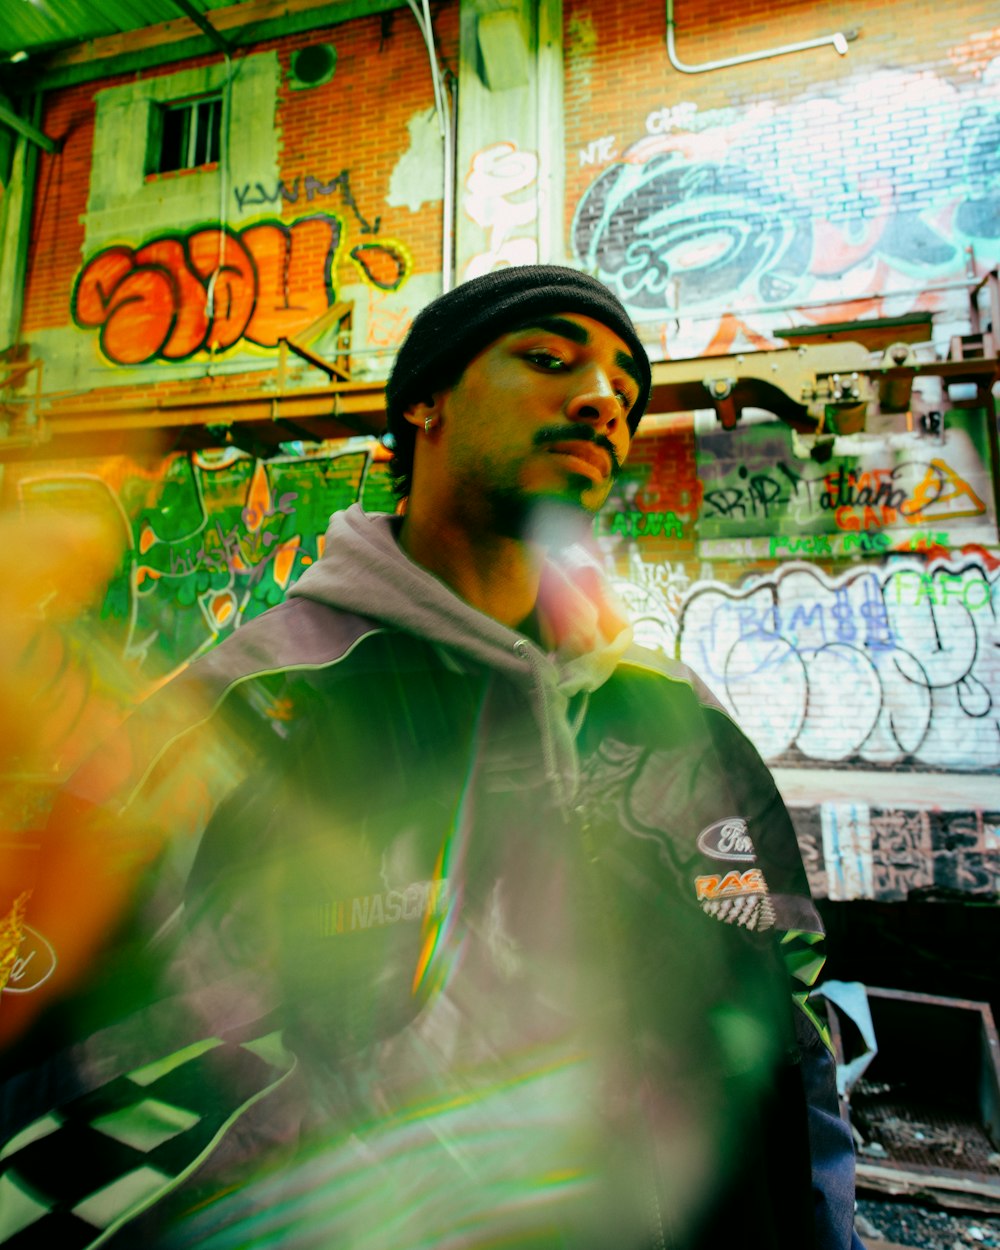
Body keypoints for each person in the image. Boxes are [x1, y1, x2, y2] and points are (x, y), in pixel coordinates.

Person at [0, 266, 862, 1250]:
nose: (599, 399)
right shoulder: (248, 712)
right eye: (547, 360)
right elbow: (77, 1082)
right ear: (424, 400)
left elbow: (790, 1032)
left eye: (624, 387)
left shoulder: (674, 720)